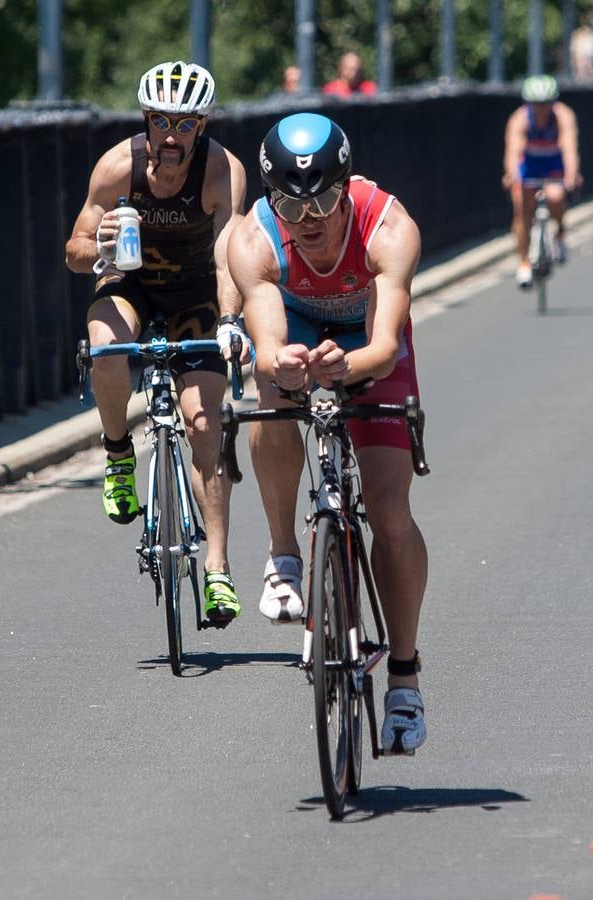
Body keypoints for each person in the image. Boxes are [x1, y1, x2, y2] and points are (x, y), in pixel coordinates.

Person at [227, 112, 430, 754]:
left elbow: (387, 345)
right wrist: (281, 363)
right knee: (273, 394)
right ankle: (284, 554)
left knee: (390, 510)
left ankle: (403, 679)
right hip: (292, 325)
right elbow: (264, 348)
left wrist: (347, 366)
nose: (310, 218)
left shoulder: (389, 229)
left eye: (325, 199)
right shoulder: (253, 241)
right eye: (292, 202)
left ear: (347, 187)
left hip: (368, 344)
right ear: (270, 198)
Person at [64, 61, 251, 625]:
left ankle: (217, 570)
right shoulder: (117, 167)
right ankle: (119, 453)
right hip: (132, 284)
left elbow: (228, 254)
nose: (173, 135)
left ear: (203, 125)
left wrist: (230, 320)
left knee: (204, 424)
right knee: (105, 345)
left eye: (187, 124)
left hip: (196, 290)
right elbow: (72, 251)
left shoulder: (223, 170)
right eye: (163, 121)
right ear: (146, 120)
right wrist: (96, 243)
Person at [503, 74, 580, 289]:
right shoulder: (519, 119)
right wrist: (511, 174)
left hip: (553, 162)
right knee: (522, 207)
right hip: (530, 164)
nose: (542, 108)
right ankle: (524, 263)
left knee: (556, 196)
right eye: (537, 104)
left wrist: (571, 174)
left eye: (546, 103)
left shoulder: (563, 116)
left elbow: (569, 147)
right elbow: (513, 150)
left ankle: (560, 234)